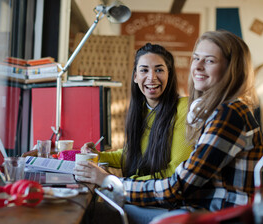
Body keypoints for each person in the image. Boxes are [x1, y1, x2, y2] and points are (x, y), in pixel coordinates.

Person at [74, 30, 263, 224]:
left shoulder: (228, 114)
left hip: (217, 216)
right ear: (135, 76)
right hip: (202, 209)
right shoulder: (226, 110)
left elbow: (178, 186)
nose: (198, 67)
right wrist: (102, 163)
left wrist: (109, 182)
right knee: (108, 208)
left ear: (231, 68)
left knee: (102, 213)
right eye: (196, 59)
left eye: (209, 60)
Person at [78, 43, 192, 182]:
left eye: (159, 70)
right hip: (140, 195)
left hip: (163, 199)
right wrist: (98, 155)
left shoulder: (184, 108)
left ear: (169, 75)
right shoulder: (142, 109)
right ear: (135, 77)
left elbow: (175, 173)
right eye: (144, 70)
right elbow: (131, 155)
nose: (152, 77)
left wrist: (113, 181)